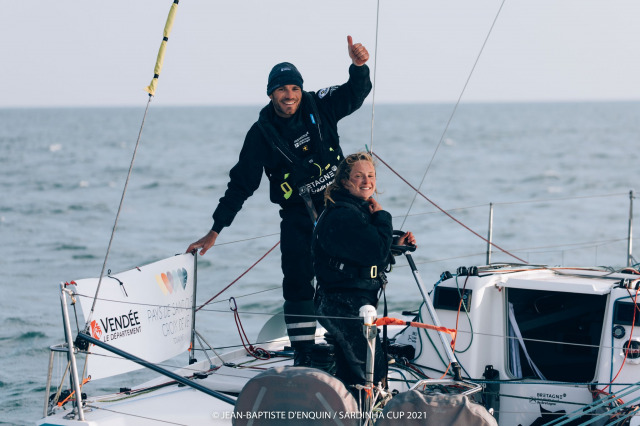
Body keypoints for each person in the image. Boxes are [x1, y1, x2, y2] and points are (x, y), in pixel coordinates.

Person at [186, 36, 372, 366]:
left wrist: (358, 68)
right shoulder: (260, 134)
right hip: (298, 216)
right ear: (271, 93)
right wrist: (216, 229)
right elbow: (241, 184)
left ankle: (345, 342)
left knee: (348, 276)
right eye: (282, 90)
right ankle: (304, 351)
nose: (289, 96)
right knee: (298, 279)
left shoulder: (320, 105)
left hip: (340, 209)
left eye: (294, 88)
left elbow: (353, 94)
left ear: (301, 90)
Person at [312, 152, 416, 393]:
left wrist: (395, 242)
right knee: (374, 372)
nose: (366, 181)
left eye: (370, 175)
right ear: (345, 181)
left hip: (350, 303)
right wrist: (382, 216)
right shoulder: (343, 213)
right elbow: (375, 251)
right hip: (341, 306)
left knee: (355, 373)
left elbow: (363, 249)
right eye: (359, 176)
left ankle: (350, 412)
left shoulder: (354, 209)